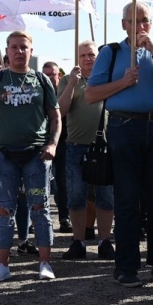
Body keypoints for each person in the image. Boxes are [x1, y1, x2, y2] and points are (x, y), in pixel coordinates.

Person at [86, 3, 153, 288]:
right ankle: (126, 267)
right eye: (133, 21)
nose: (140, 26)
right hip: (123, 127)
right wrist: (123, 82)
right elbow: (91, 95)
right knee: (127, 200)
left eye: (145, 20)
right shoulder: (110, 53)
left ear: (151, 23)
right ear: (123, 24)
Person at [0, 31, 60, 281]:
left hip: (37, 155)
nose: (19, 51)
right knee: (4, 210)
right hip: (4, 155)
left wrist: (53, 144)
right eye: (14, 47)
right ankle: (2, 266)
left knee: (40, 208)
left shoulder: (42, 80)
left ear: (31, 51)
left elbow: (55, 116)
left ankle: (45, 263)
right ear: (7, 51)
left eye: (23, 47)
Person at [57, 41, 115, 261]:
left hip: (105, 146)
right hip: (75, 147)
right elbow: (60, 110)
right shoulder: (67, 80)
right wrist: (72, 82)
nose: (88, 58)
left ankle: (104, 242)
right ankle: (78, 242)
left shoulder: (108, 78)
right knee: (76, 196)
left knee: (106, 197)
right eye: (83, 55)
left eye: (91, 54)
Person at [44, 60, 70, 233]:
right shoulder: (40, 92)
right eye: (46, 75)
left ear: (58, 75)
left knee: (63, 184)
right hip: (44, 144)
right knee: (41, 185)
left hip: (64, 143)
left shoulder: (67, 91)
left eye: (52, 74)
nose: (49, 78)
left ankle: (64, 218)